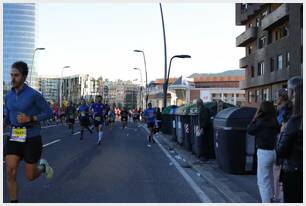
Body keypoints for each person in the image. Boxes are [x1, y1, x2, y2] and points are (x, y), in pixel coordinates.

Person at [4, 61, 54, 203]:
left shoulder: (34, 95)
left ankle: (43, 167)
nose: (13, 78)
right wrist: (3, 124)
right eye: (11, 75)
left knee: (30, 176)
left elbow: (48, 112)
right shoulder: (8, 96)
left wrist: (31, 118)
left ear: (24, 77)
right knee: (10, 171)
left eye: (16, 75)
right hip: (14, 135)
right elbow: (9, 116)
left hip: (32, 137)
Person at [276, 76, 303, 203]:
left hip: (294, 171)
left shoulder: (295, 120)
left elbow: (281, 150)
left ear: (294, 93)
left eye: (289, 91)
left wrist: (282, 133)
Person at [247, 101, 280, 203]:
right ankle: (271, 199)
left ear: (262, 110)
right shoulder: (275, 121)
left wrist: (255, 118)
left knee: (263, 182)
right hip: (274, 152)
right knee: (270, 179)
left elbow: (249, 130)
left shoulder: (260, 121)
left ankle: (266, 202)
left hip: (264, 153)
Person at [273, 88, 292, 202]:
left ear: (281, 98)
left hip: (281, 141)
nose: (276, 98)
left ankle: (278, 197)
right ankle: (278, 196)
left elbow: (280, 125)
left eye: (277, 96)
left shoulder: (284, 110)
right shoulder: (282, 109)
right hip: (280, 141)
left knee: (278, 170)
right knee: (277, 170)